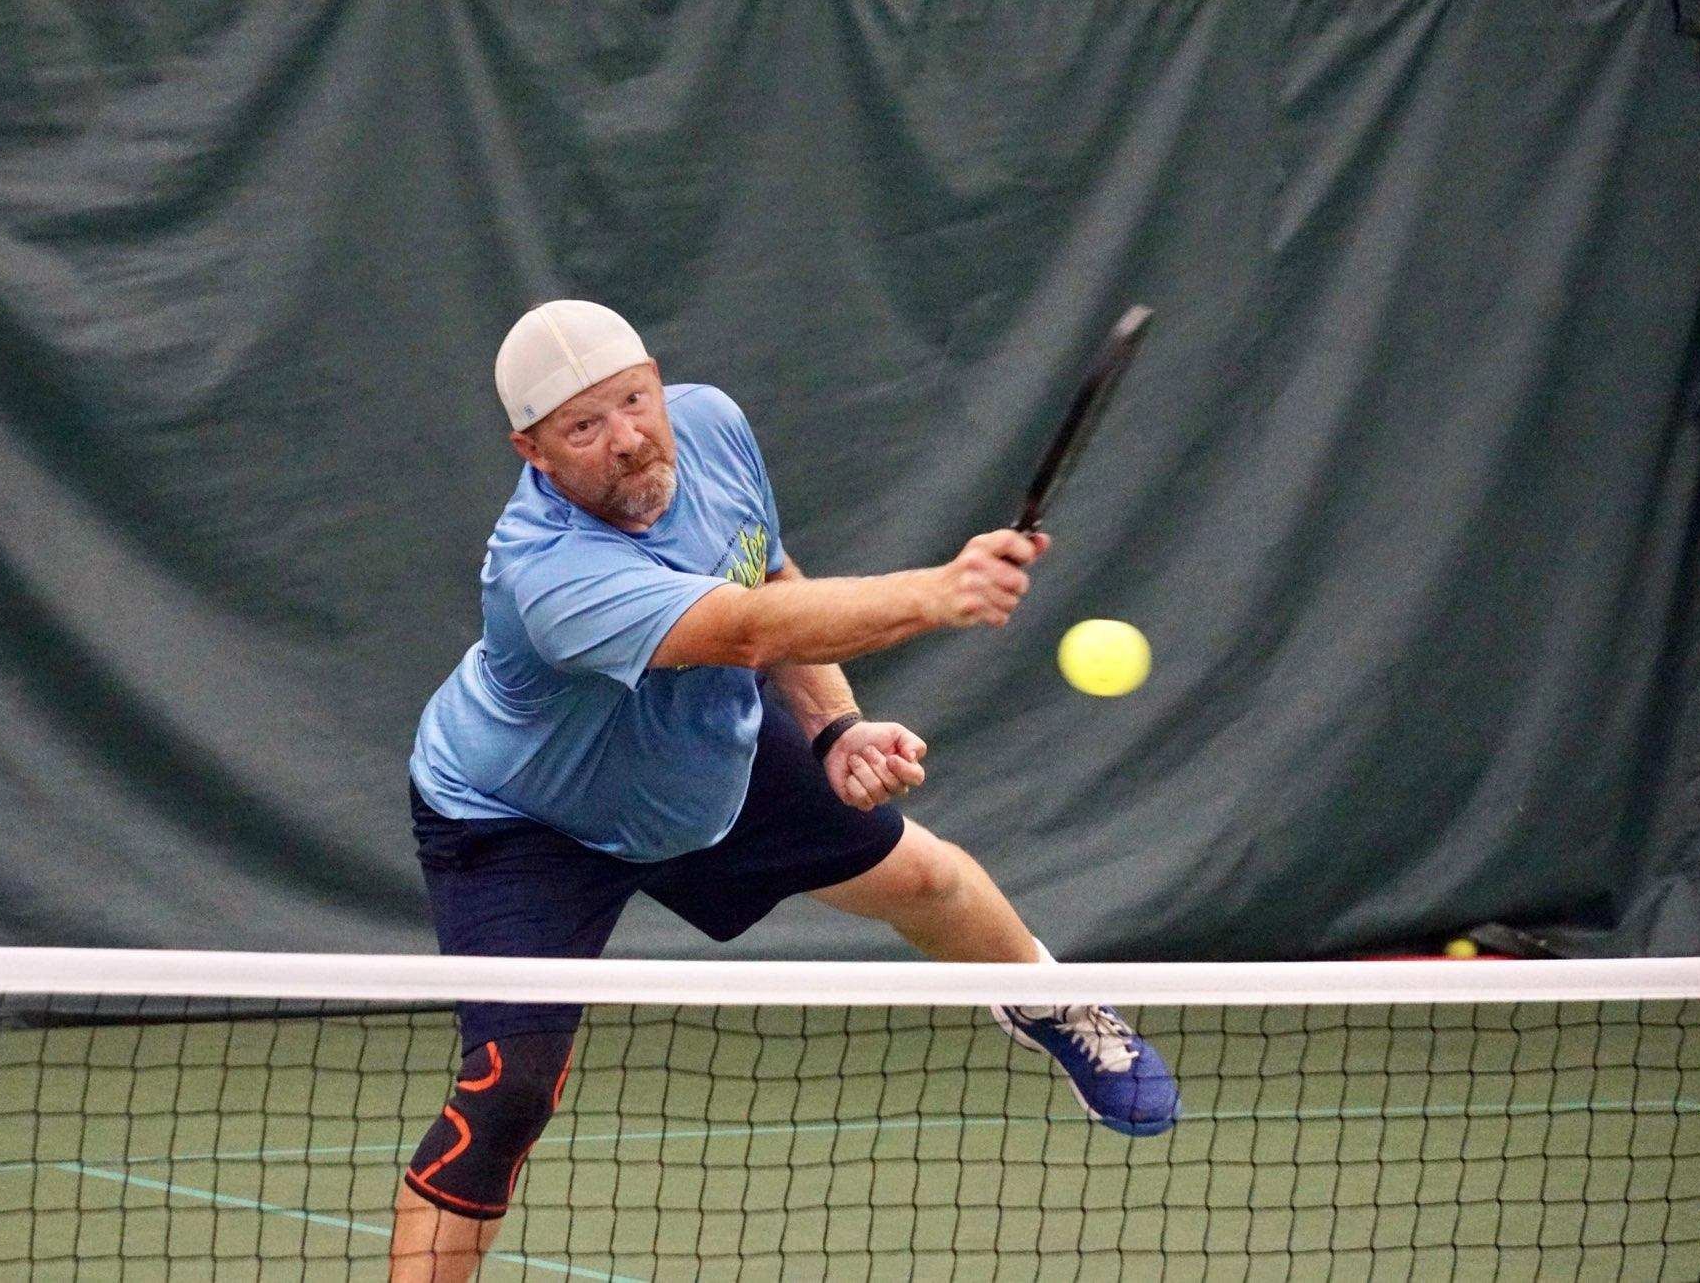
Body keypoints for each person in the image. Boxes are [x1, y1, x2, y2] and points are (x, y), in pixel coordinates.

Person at [392, 301, 1178, 1280]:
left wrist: (835, 725)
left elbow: (763, 571)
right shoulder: (544, 574)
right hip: (523, 817)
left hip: (692, 757)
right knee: (507, 1093)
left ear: (654, 378)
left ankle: (1043, 1003)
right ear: (532, 449)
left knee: (929, 883)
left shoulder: (711, 424)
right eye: (583, 428)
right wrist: (941, 592)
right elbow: (747, 632)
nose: (628, 439)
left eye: (633, 400)